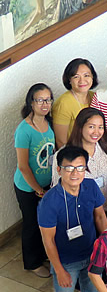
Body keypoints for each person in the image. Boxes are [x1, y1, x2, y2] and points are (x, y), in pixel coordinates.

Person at [38, 146, 107, 292]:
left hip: (91, 254)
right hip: (65, 261)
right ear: (59, 170)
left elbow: (100, 216)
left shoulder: (89, 187)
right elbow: (48, 240)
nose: (75, 173)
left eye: (80, 167)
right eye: (69, 168)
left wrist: (105, 248)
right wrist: (59, 269)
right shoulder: (50, 201)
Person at [15, 84, 56, 278]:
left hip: (46, 184)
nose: (45, 104)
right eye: (40, 100)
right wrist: (39, 190)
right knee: (31, 224)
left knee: (45, 222)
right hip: (28, 187)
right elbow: (23, 166)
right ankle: (32, 263)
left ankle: (42, 255)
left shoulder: (49, 122)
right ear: (31, 102)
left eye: (48, 99)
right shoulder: (24, 130)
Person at [52, 108, 107, 224]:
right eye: (91, 127)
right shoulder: (64, 155)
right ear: (80, 127)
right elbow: (58, 190)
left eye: (100, 127)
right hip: (80, 215)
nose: (96, 132)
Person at [52, 58, 98, 147]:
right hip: (74, 154)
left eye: (86, 75)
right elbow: (61, 142)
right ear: (69, 80)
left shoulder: (95, 97)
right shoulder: (64, 103)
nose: (82, 81)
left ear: (93, 77)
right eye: (76, 77)